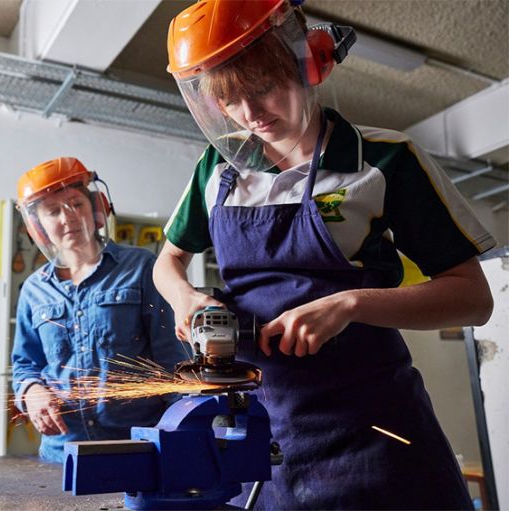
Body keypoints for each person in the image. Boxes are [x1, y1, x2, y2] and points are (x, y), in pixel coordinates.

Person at [155, 0, 495, 508]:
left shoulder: (383, 160)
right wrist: (184, 298)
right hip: (258, 435)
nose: (249, 114)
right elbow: (168, 262)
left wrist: (349, 305)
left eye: (261, 88)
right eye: (230, 101)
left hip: (374, 436)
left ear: (306, 62)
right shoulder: (216, 170)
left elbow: (473, 299)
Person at [11, 156, 186, 463]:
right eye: (52, 211)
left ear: (96, 208)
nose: (68, 218)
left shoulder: (142, 267)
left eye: (76, 204)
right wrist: (32, 392)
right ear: (38, 228)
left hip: (136, 448)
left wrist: (183, 434)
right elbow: (25, 364)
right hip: (60, 454)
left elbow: (171, 358)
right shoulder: (33, 290)